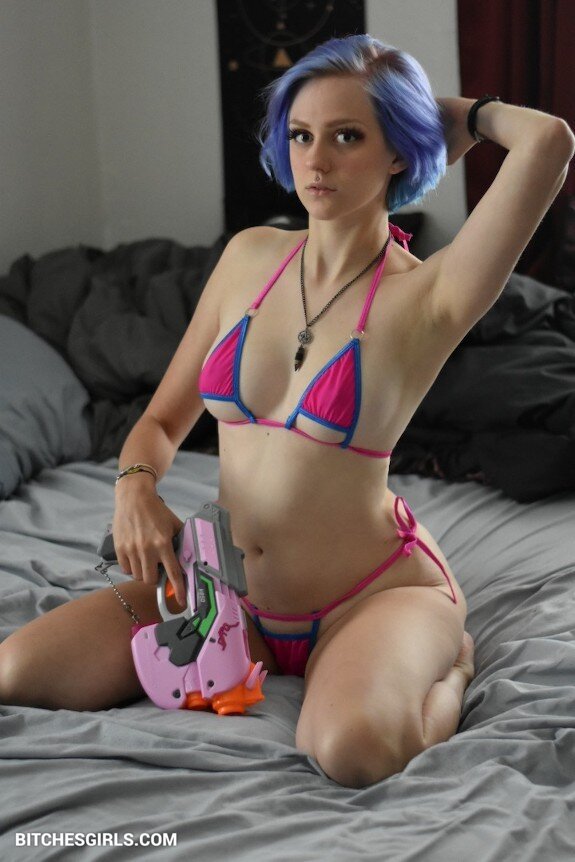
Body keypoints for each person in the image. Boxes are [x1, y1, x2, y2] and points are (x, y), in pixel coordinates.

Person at [0, 34, 573, 789]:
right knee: (17, 670)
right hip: (221, 590)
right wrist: (135, 487)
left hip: (368, 595)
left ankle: (452, 663)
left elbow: (548, 140)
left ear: (397, 151)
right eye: (301, 135)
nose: (316, 160)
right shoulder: (248, 257)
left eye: (348, 136)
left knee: (350, 752)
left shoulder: (430, 296)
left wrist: (444, 117)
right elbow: (161, 423)